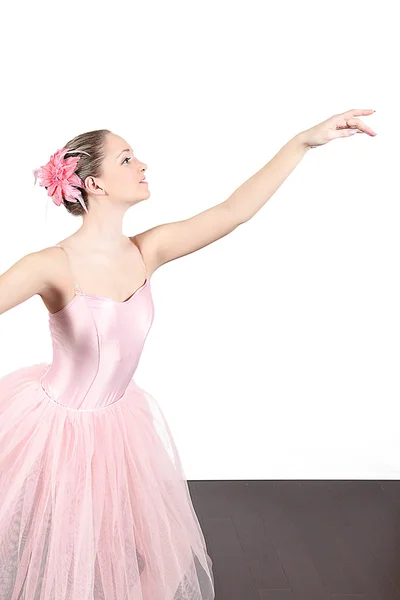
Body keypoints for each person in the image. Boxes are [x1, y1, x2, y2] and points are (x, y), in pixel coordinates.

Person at [0, 112, 376, 599]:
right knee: (68, 559)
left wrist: (303, 142)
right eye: (127, 158)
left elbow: (232, 212)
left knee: (163, 556)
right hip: (58, 432)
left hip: (118, 425)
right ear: (94, 183)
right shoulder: (49, 265)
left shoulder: (147, 249)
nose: (142, 164)